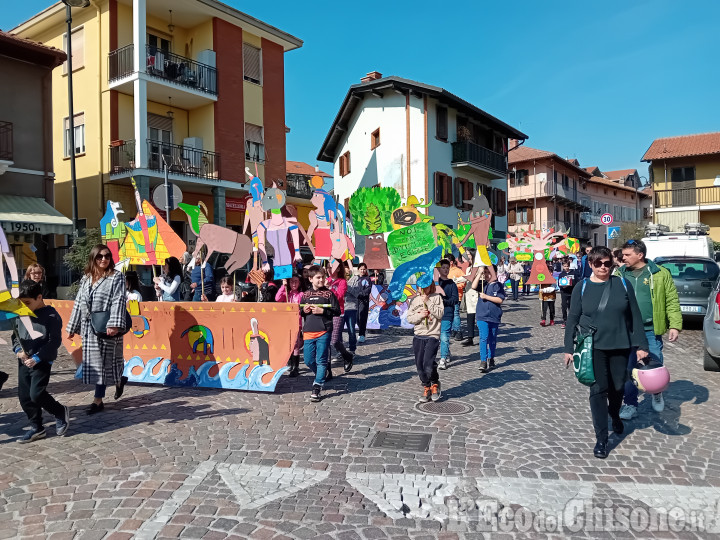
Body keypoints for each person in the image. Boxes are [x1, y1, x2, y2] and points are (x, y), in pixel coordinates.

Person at [563, 246, 649, 459]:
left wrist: (642, 345)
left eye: (607, 263)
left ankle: (615, 413)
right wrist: (568, 349)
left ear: (612, 263)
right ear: (590, 264)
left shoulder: (622, 283)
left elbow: (635, 316)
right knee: (598, 390)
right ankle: (601, 438)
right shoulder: (581, 287)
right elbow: (572, 319)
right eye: (598, 263)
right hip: (593, 348)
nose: (603, 267)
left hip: (620, 344)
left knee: (618, 387)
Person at [618, 239, 682, 420]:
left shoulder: (660, 274)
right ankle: (630, 404)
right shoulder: (619, 274)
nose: (623, 258)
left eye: (627, 255)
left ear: (640, 255)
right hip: (625, 330)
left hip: (650, 330)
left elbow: (671, 300)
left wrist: (675, 325)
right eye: (623, 254)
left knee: (653, 365)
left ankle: (656, 391)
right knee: (630, 369)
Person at [66, 244, 128, 415]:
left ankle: (99, 398)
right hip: (89, 328)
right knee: (97, 365)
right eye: (100, 256)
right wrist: (72, 327)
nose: (104, 259)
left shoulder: (117, 277)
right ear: (93, 258)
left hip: (108, 327)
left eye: (107, 256)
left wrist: (114, 323)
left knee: (108, 362)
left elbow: (119, 300)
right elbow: (79, 303)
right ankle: (111, 388)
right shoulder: (86, 278)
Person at [13, 280, 69, 442]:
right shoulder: (21, 314)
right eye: (21, 303)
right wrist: (18, 350)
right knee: (24, 396)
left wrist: (38, 357)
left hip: (42, 360)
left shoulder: (51, 315)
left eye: (27, 303)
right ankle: (36, 427)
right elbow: (15, 336)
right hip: (24, 360)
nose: (23, 306)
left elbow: (54, 342)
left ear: (39, 297)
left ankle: (59, 411)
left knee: (36, 394)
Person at [301, 265, 341, 402]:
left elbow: (337, 311)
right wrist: (304, 311)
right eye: (318, 277)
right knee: (308, 360)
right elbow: (301, 312)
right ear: (311, 279)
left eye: (323, 277)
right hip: (308, 331)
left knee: (321, 360)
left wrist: (323, 311)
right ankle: (321, 374)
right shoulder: (305, 294)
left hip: (324, 330)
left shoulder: (329, 294)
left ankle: (317, 386)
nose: (321, 280)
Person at [406, 283, 445, 402]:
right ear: (417, 288)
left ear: (431, 286)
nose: (424, 289)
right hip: (419, 335)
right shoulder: (414, 300)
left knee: (427, 362)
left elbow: (440, 314)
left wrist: (428, 301)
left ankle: (434, 384)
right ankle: (426, 386)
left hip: (432, 335)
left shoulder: (436, 297)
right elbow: (409, 318)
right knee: (419, 365)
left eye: (426, 286)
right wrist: (419, 315)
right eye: (421, 287)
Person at [472, 264, 505, 372]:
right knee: (483, 338)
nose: (486, 275)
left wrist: (486, 297)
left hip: (494, 316)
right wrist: (479, 273)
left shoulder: (498, 285)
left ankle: (491, 358)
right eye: (485, 273)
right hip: (482, 315)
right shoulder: (483, 284)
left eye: (488, 272)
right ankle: (483, 360)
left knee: (492, 338)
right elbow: (473, 286)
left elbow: (500, 300)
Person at [327, 264, 354, 374]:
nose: (329, 269)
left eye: (332, 266)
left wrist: (329, 288)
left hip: (338, 313)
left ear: (338, 268)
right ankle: (327, 369)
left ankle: (346, 355)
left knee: (334, 341)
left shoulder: (342, 281)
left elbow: (339, 296)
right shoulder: (325, 280)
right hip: (324, 313)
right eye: (328, 267)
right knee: (325, 341)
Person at [276, 275, 304, 377]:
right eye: (292, 282)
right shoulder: (287, 294)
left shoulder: (301, 294)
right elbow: (277, 298)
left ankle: (296, 367)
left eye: (296, 281)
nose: (294, 284)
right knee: (288, 345)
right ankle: (291, 364)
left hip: (296, 323)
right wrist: (283, 286)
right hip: (287, 323)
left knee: (295, 344)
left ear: (299, 283)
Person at [437, 259, 459, 370]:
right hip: (435, 314)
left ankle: (443, 358)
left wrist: (444, 301)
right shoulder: (435, 283)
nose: (445, 270)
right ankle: (447, 352)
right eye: (443, 268)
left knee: (444, 336)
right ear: (439, 269)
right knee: (438, 337)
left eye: (447, 268)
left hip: (447, 313)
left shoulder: (452, 284)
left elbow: (455, 299)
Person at [447, 254, 465, 341]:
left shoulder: (458, 271)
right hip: (446, 297)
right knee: (449, 314)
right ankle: (453, 329)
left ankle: (458, 331)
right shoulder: (444, 270)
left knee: (455, 313)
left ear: (451, 262)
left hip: (456, 296)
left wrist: (454, 285)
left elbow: (463, 283)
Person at [558, 258, 580, 329]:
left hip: (572, 292)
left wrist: (571, 284)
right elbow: (559, 283)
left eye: (567, 266)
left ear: (569, 266)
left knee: (571, 307)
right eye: (564, 266)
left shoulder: (574, 273)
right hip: (564, 292)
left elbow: (577, 282)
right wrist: (562, 286)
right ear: (563, 266)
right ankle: (565, 320)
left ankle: (572, 321)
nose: (566, 268)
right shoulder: (561, 274)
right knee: (564, 306)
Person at [344, 265, 360, 354]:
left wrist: (347, 287)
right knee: (337, 332)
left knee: (351, 330)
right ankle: (341, 349)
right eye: (344, 273)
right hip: (341, 309)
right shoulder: (339, 280)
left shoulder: (355, 280)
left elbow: (357, 293)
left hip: (351, 308)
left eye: (347, 273)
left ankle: (352, 349)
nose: (346, 275)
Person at [355, 263, 372, 344]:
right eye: (361, 269)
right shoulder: (355, 278)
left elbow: (368, 289)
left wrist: (361, 294)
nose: (362, 271)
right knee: (356, 318)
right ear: (358, 269)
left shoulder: (367, 279)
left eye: (364, 269)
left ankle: (362, 334)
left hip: (363, 301)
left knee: (362, 317)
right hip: (355, 301)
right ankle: (360, 330)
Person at [461, 268, 479, 347]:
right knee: (470, 317)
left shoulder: (478, 267)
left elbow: (470, 277)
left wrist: (455, 279)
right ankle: (470, 337)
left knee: (479, 318)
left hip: (476, 294)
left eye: (469, 255)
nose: (468, 257)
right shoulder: (468, 268)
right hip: (469, 294)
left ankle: (484, 337)